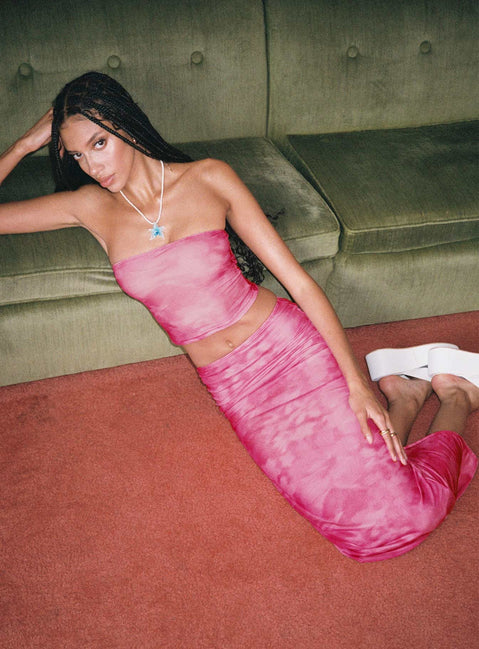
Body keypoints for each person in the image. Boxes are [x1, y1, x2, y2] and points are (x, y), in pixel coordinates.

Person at [0, 72, 477, 562]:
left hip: (289, 351)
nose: (93, 165)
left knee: (406, 514)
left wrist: (356, 383)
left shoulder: (208, 177)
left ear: (124, 125)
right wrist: (23, 145)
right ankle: (409, 394)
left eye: (99, 144)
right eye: (78, 155)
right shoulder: (89, 207)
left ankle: (457, 395)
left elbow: (299, 284)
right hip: (236, 389)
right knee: (360, 536)